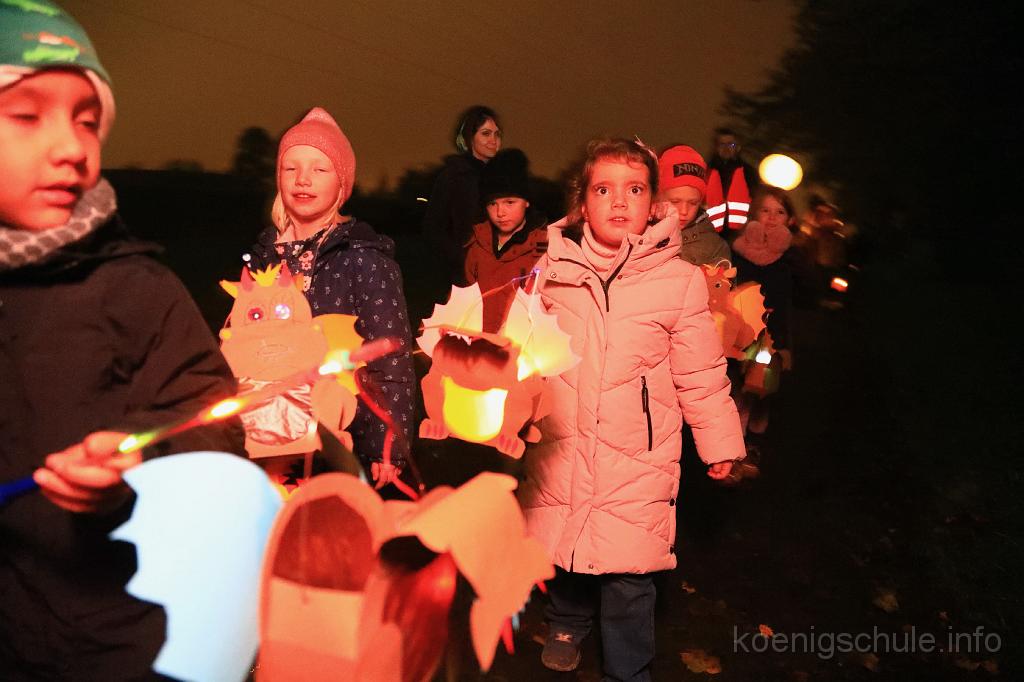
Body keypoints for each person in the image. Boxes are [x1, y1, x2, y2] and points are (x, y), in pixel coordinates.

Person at [0, 2, 244, 679]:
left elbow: (211, 419)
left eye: (87, 120)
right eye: (27, 116)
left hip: (109, 637)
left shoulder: (134, 287)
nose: (72, 147)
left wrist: (141, 462)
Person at [519, 138, 745, 681]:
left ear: (653, 203)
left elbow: (701, 374)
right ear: (582, 204)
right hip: (563, 443)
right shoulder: (551, 273)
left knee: (630, 577)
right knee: (566, 545)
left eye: (635, 189)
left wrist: (720, 443)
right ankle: (567, 622)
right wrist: (505, 412)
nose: (619, 201)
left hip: (638, 457)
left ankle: (627, 671)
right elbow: (522, 355)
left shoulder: (680, 281)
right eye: (603, 189)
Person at [247, 108, 416, 488]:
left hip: (341, 438)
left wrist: (386, 446)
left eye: (319, 169)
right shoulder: (263, 258)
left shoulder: (364, 259)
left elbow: (390, 358)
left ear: (341, 183)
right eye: (291, 168)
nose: (303, 179)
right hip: (269, 434)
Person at [732, 187, 796, 434]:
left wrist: (784, 345)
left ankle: (751, 442)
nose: (771, 218)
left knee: (759, 392)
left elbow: (787, 304)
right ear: (755, 213)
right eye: (765, 210)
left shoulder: (790, 258)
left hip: (769, 338)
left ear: (789, 219)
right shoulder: (737, 250)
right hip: (736, 335)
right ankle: (734, 446)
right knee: (733, 395)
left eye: (779, 212)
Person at [463, 147, 548, 332]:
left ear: (526, 201)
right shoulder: (477, 244)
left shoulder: (544, 249)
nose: (500, 212)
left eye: (510, 202)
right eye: (492, 203)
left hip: (521, 343)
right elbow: (463, 299)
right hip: (478, 341)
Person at [421, 105, 501, 288]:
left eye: (497, 134)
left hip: (499, 274)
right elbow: (433, 229)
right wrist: (464, 260)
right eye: (486, 134)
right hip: (464, 278)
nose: (493, 140)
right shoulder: (453, 176)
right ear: (469, 138)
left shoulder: (503, 177)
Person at [656, 144, 731, 266]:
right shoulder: (637, 232)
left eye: (693, 203)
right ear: (657, 197)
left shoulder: (714, 246)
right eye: (675, 201)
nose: (684, 211)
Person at [705, 127, 760, 236]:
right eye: (722, 144)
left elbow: (756, 199)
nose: (726, 148)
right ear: (716, 147)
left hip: (740, 230)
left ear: (738, 147)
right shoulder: (706, 171)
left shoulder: (748, 172)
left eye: (731, 144)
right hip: (711, 229)